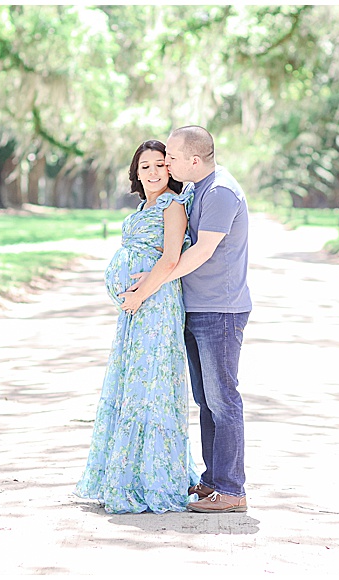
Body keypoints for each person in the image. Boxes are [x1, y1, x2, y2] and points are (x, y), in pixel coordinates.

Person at [122, 125, 252, 514]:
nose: (168, 164)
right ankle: (212, 482)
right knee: (206, 401)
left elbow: (200, 253)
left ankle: (232, 491)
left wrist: (152, 283)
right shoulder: (197, 190)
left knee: (224, 401)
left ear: (194, 160)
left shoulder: (220, 192)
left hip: (221, 309)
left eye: (173, 158)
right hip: (196, 307)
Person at [74, 139, 200, 514]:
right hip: (135, 308)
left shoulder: (172, 206)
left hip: (156, 305)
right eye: (145, 166)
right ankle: (126, 472)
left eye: (160, 165)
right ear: (136, 172)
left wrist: (140, 294)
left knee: (152, 385)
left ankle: (154, 478)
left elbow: (171, 260)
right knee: (131, 384)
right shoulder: (143, 206)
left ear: (171, 169)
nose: (153, 172)